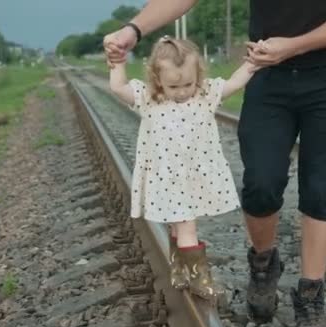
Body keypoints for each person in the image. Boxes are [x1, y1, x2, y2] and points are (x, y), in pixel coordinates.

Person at [104, 1, 326, 327]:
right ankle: (263, 266)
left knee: (321, 190)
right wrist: (133, 29)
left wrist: (291, 46)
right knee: (261, 183)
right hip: (268, 77)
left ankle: (310, 296)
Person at [108, 35, 258, 301]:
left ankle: (178, 269)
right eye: (173, 86)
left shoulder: (205, 94)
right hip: (168, 178)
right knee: (187, 227)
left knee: (180, 227)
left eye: (188, 83)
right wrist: (117, 63)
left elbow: (234, 83)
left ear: (198, 75)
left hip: (195, 176)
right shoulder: (149, 98)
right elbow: (119, 88)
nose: (182, 91)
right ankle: (201, 279)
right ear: (157, 79)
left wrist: (251, 64)